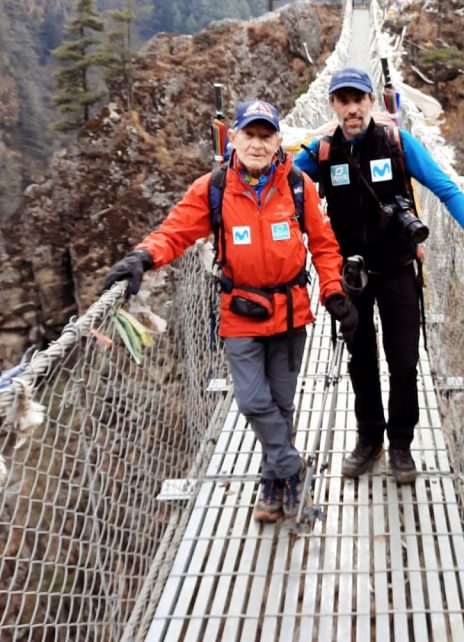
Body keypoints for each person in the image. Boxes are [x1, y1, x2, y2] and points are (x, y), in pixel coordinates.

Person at [102, 99, 358, 522]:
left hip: (292, 312)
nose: (257, 144)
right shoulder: (215, 187)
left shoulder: (297, 185)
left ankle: (272, 485)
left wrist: (332, 292)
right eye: (250, 135)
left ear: (279, 141)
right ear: (234, 138)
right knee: (254, 401)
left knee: (282, 403)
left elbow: (324, 244)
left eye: (266, 136)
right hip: (242, 312)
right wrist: (142, 257)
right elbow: (176, 230)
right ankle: (294, 472)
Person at [294, 68, 464, 484]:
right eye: (343, 100)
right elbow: (280, 179)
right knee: (361, 361)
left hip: (397, 270)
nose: (352, 108)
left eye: (358, 99)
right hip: (351, 276)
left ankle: (400, 445)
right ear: (333, 107)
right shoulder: (322, 152)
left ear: (371, 102)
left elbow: (445, 187)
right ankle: (368, 438)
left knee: (404, 361)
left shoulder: (396, 143)